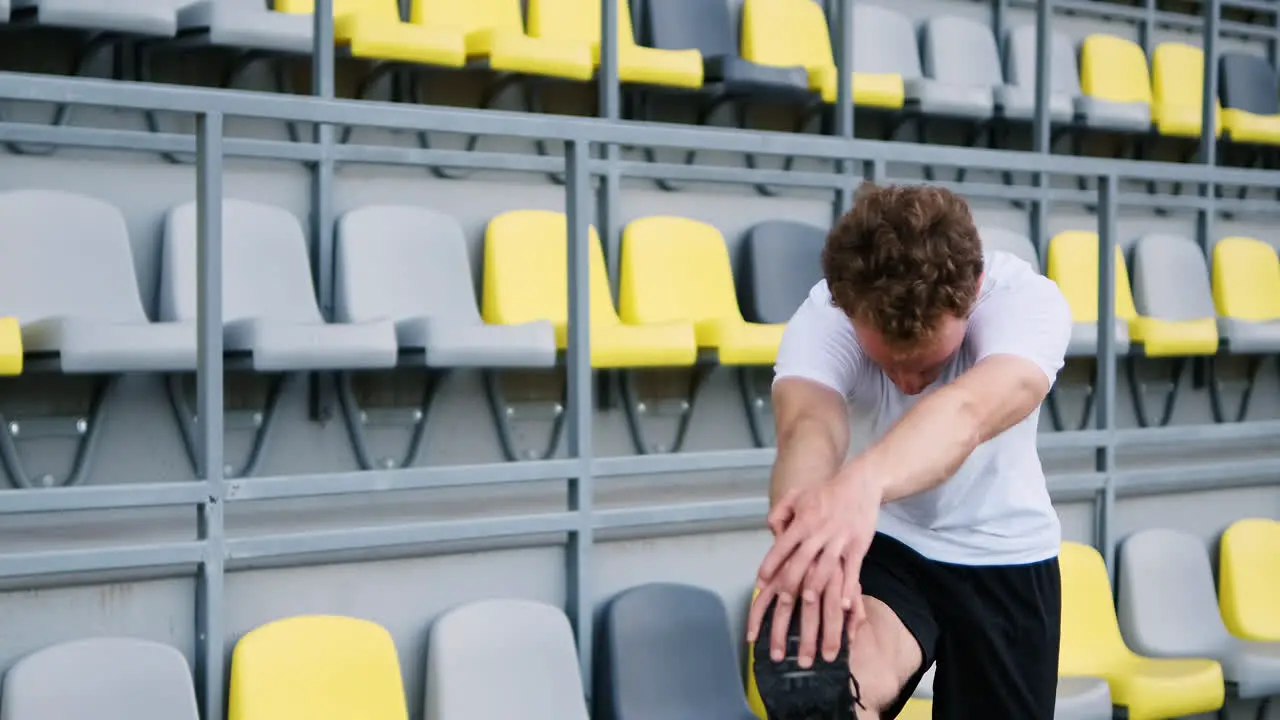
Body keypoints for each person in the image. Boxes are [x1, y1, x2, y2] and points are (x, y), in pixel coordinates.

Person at [745, 183, 1073, 719]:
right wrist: (806, 530)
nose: (908, 382)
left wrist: (861, 483)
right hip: (888, 544)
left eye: (927, 364)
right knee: (838, 689)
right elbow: (809, 425)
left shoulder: (1026, 301)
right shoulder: (827, 311)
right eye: (888, 363)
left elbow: (965, 413)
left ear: (975, 289)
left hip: (1004, 555)